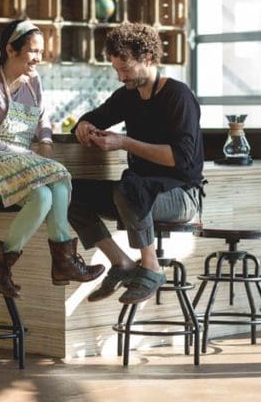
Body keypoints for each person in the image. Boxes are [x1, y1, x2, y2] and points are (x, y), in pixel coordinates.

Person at [0, 19, 103, 298]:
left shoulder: (33, 83)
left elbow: (43, 118)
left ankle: (48, 263)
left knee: (48, 194)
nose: (38, 58)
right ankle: (56, 261)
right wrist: (31, 156)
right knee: (56, 175)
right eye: (33, 51)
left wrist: (45, 139)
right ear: (11, 49)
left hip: (17, 167)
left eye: (41, 52)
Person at [68, 22, 204, 305]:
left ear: (148, 58)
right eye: (116, 70)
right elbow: (94, 117)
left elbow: (181, 158)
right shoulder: (127, 96)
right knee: (68, 192)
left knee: (130, 185)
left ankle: (151, 267)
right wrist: (84, 126)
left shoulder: (177, 96)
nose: (120, 77)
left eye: (126, 69)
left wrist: (125, 142)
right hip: (136, 194)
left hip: (181, 195)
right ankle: (122, 264)